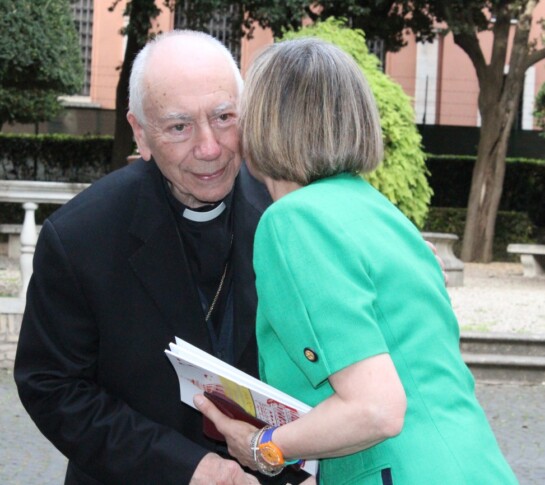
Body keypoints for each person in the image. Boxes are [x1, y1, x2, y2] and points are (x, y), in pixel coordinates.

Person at [195, 38, 519, 484]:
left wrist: (262, 446)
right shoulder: (382, 212)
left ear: (263, 123)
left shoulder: (294, 220)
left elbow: (375, 410)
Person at [13, 30, 309, 485]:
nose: (209, 148)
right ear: (140, 133)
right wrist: (189, 468)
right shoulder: (79, 238)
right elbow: (53, 388)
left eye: (224, 117)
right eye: (179, 126)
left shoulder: (292, 213)